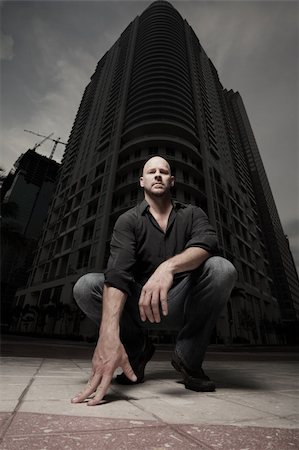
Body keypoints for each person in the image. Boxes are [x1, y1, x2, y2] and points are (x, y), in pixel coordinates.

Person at [71, 156, 237, 406]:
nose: (157, 175)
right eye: (151, 171)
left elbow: (206, 244)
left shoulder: (192, 214)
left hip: (184, 300)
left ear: (172, 181)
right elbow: (118, 274)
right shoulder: (128, 220)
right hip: (140, 305)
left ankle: (188, 359)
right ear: (141, 181)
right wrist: (107, 335)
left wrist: (168, 267)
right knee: (86, 286)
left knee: (222, 268)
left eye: (163, 171)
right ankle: (136, 350)